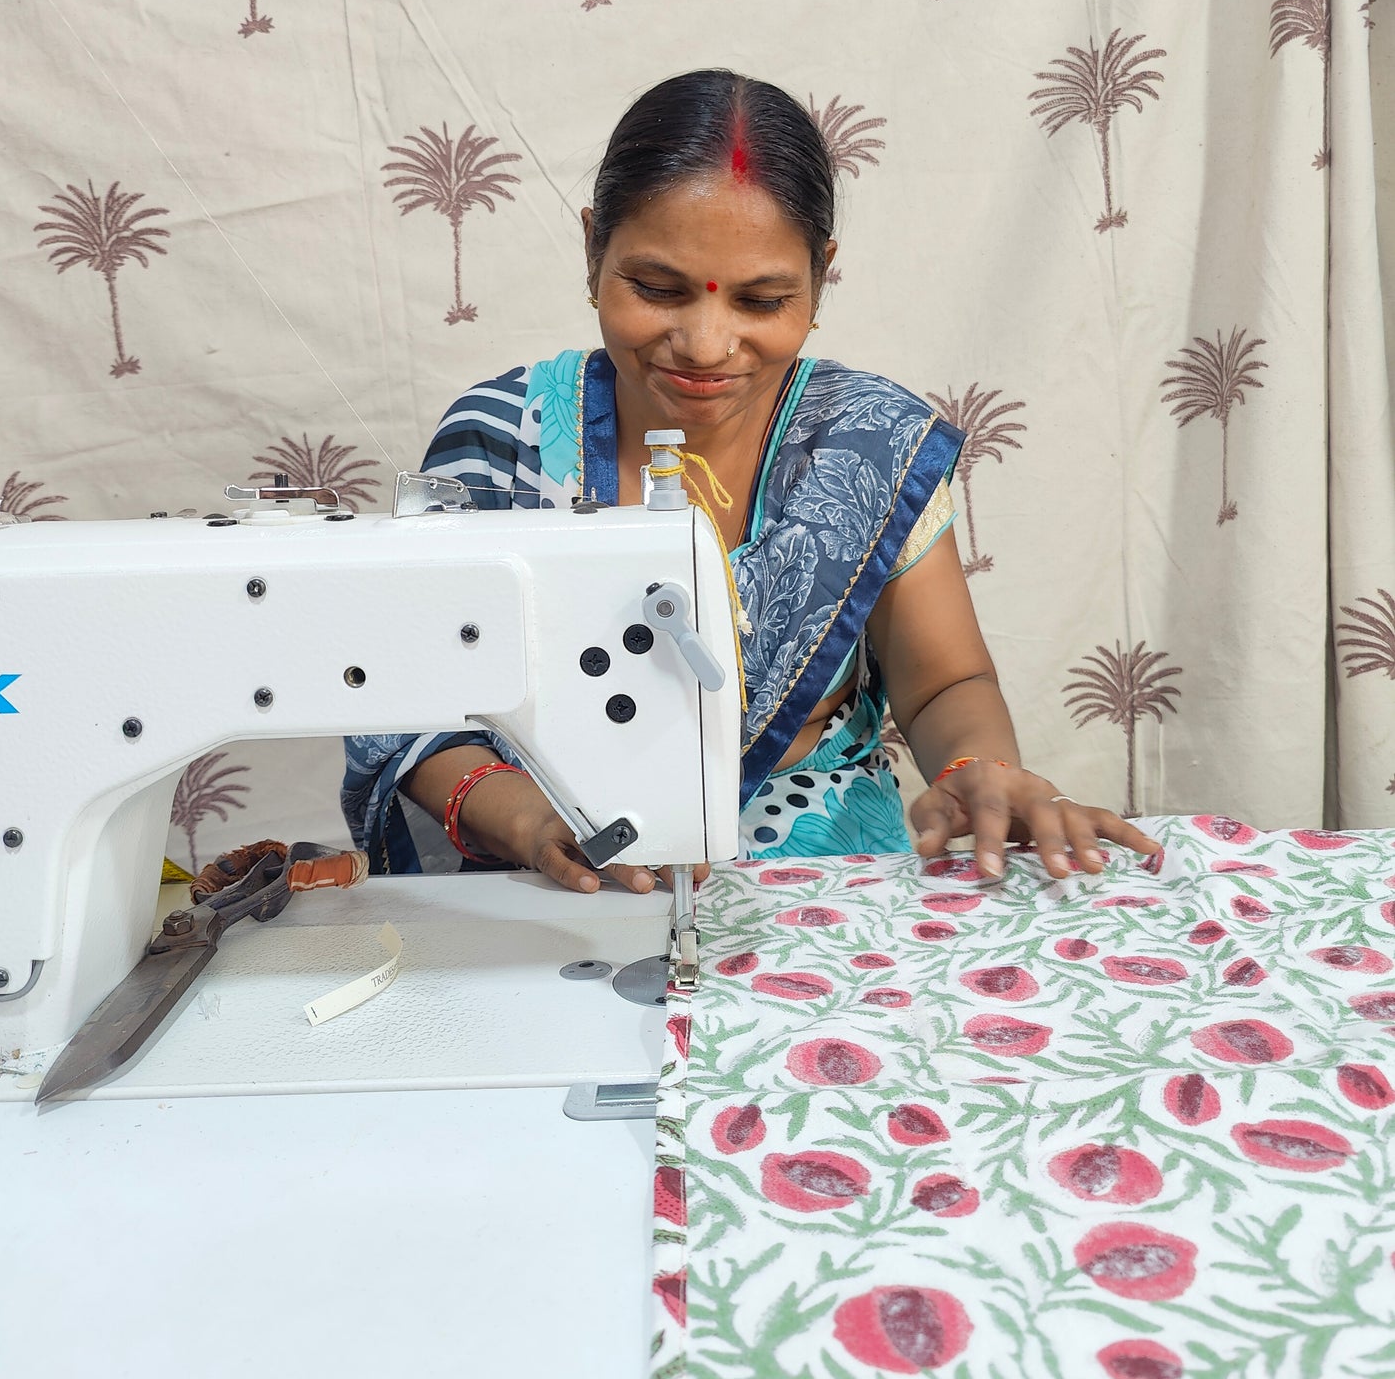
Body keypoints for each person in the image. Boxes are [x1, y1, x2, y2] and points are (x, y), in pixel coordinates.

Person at [343, 70, 1159, 891]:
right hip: (550, 864)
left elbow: (946, 679)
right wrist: (530, 821)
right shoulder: (499, 441)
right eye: (656, 290)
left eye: (762, 299)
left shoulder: (866, 445)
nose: (705, 344)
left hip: (824, 878)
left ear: (820, 276)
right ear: (593, 250)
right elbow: (412, 703)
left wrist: (974, 768)